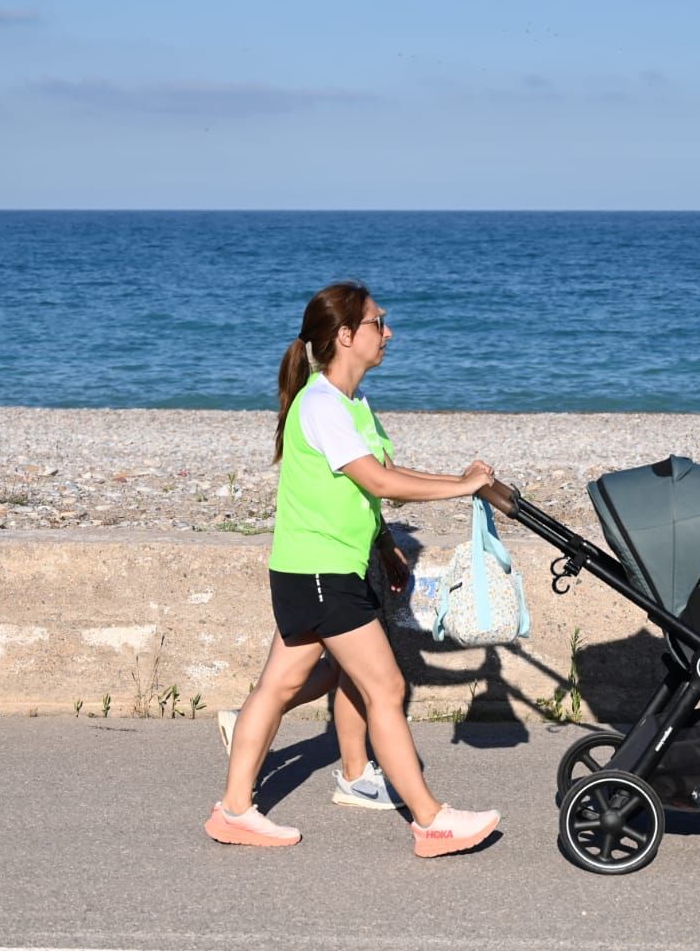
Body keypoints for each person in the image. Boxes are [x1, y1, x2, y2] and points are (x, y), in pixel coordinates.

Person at [204, 280, 501, 857]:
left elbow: (379, 480)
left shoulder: (352, 404)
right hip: (320, 571)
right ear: (345, 335)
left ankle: (234, 810)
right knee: (385, 686)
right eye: (378, 323)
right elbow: (381, 482)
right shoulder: (321, 405)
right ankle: (430, 820)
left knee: (280, 685)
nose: (388, 333)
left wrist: (391, 537)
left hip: (315, 566)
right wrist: (465, 487)